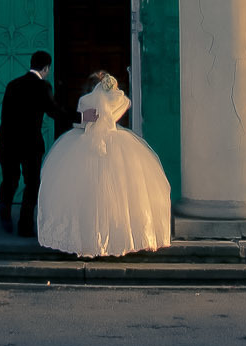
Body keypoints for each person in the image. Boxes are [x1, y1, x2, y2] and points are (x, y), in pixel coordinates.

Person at [34, 71, 172, 259]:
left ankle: (87, 240)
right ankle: (118, 239)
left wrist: (87, 122)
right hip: (115, 143)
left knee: (85, 194)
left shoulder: (85, 101)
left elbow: (82, 124)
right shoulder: (119, 101)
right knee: (120, 195)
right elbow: (121, 107)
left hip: (84, 145)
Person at [0, 52, 57, 239]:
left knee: (9, 180)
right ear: (46, 68)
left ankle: (5, 215)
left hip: (8, 142)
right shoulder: (43, 86)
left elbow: (5, 115)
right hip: (31, 145)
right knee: (32, 184)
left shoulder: (12, 84)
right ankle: (25, 226)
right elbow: (54, 112)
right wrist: (80, 117)